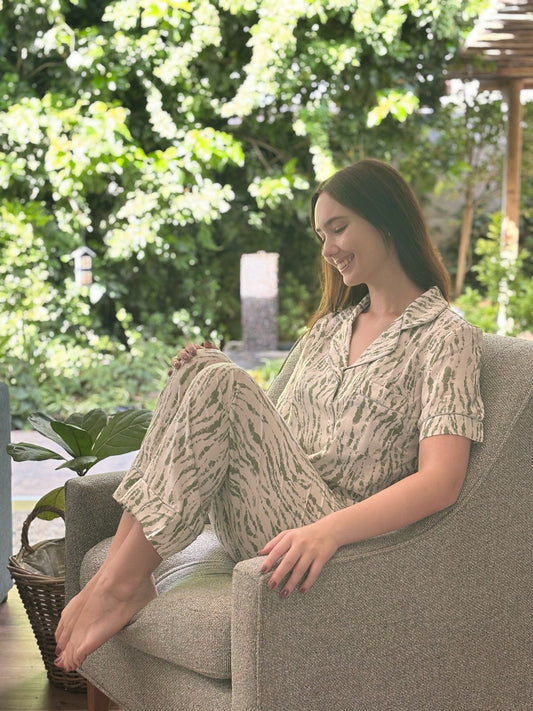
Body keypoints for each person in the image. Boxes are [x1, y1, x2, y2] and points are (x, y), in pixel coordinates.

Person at [54, 158, 484, 673]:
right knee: (203, 368)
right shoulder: (329, 330)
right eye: (321, 235)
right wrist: (206, 373)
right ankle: (118, 579)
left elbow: (441, 481)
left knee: (219, 378)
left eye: (338, 228)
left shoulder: (445, 336)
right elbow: (272, 435)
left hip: (331, 533)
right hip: (276, 515)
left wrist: (329, 531)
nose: (327, 249)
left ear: (386, 220)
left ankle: (119, 584)